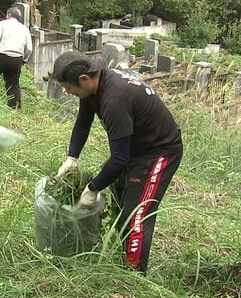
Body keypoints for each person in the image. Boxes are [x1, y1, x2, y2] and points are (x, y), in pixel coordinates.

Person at [50, 51, 183, 274]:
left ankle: (133, 277)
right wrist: (72, 158)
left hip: (159, 152)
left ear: (83, 79)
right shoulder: (94, 87)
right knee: (122, 203)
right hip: (135, 148)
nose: (67, 92)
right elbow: (83, 123)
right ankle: (123, 257)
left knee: (137, 215)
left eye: (68, 88)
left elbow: (119, 158)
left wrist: (92, 188)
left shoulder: (114, 98)